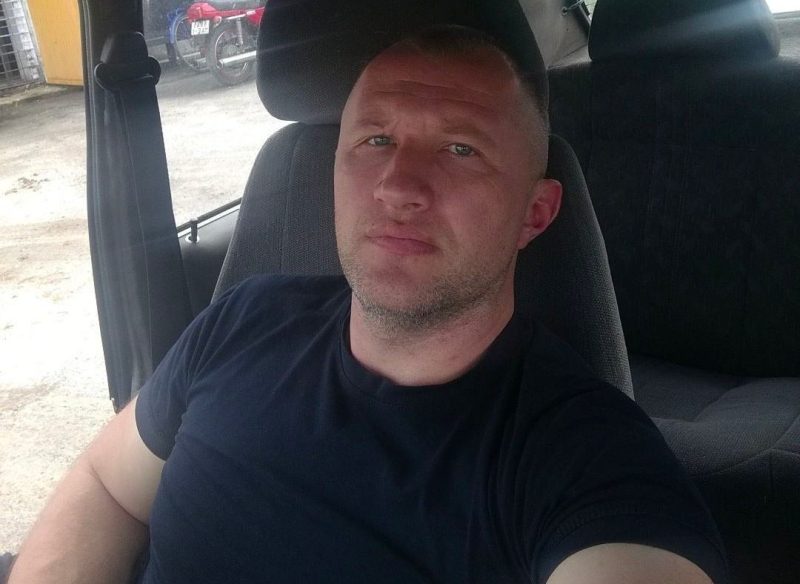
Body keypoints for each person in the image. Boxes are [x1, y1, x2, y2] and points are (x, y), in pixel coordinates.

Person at [10, 26, 728, 584]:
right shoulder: (245, 319)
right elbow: (107, 484)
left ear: (534, 215)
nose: (397, 186)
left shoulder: (585, 459)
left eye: (460, 149)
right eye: (376, 139)